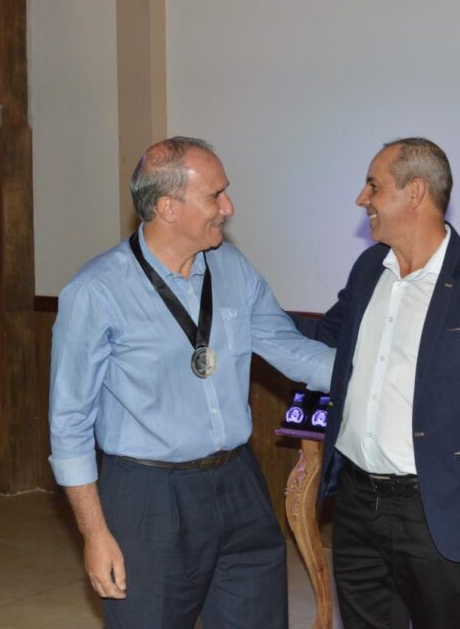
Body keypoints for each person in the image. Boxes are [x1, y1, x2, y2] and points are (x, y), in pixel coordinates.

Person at [48, 136, 334, 629]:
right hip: (148, 497)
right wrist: (95, 535)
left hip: (240, 483)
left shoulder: (233, 268)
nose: (229, 207)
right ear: (168, 207)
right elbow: (69, 422)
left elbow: (292, 351)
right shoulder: (96, 291)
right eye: (214, 196)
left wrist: (385, 374)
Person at [306, 137, 460, 629]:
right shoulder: (367, 270)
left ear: (415, 192)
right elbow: (320, 338)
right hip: (355, 504)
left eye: (374, 186)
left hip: (436, 511)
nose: (362, 198)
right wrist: (239, 316)